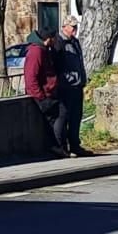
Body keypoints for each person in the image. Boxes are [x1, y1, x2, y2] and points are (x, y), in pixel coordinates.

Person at [23, 29, 67, 158]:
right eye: (54, 39)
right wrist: (41, 97)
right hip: (43, 95)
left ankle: (58, 147)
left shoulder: (43, 50)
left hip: (48, 93)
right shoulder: (36, 51)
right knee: (59, 115)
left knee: (56, 118)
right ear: (48, 39)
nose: (55, 42)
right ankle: (57, 147)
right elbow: (31, 77)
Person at [56, 18, 90, 156]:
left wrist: (82, 79)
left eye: (76, 27)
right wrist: (67, 79)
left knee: (76, 117)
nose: (75, 30)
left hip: (78, 86)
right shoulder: (59, 42)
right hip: (66, 87)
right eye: (72, 27)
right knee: (64, 118)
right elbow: (58, 66)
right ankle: (63, 147)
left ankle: (75, 145)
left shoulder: (75, 42)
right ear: (64, 27)